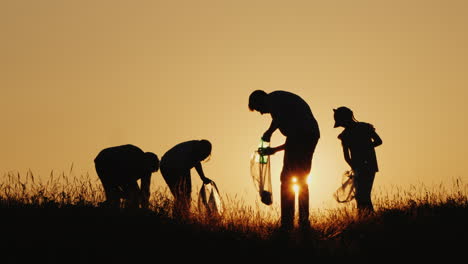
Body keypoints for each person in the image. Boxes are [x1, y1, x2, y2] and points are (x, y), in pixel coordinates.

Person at [249, 90, 320, 230]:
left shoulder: (274, 101)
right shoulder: (278, 101)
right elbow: (279, 121)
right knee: (301, 178)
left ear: (261, 100)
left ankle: (288, 222)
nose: (261, 113)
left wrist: (273, 149)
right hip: (311, 134)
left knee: (288, 179)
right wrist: (269, 132)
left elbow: (294, 139)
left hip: (305, 135)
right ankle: (302, 220)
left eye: (259, 109)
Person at [333, 106, 382, 214]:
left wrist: (354, 166)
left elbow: (346, 157)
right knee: (363, 195)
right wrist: (367, 147)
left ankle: (366, 218)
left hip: (361, 167)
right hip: (369, 166)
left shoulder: (345, 135)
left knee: (361, 195)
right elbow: (378, 141)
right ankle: (367, 218)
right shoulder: (365, 127)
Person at [94, 144, 159, 209]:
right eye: (149, 170)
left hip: (111, 161)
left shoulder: (147, 167)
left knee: (129, 195)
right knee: (115, 196)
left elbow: (145, 190)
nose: (148, 173)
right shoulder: (133, 160)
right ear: (146, 163)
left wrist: (145, 207)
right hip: (105, 162)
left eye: (152, 171)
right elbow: (128, 183)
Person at [159, 139, 213, 218]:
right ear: (202, 151)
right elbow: (190, 165)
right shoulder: (191, 152)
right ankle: (180, 217)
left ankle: (179, 216)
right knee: (183, 195)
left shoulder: (195, 148)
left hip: (166, 164)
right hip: (170, 166)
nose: (203, 158)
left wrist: (202, 177)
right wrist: (201, 178)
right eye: (204, 156)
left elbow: (196, 162)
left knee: (181, 196)